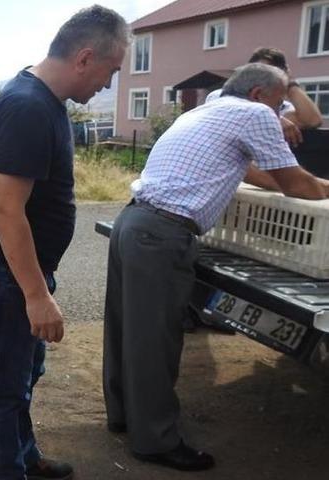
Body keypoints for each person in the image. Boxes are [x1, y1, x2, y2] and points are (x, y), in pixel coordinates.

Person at [103, 63, 329, 473]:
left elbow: (261, 175)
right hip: (163, 233)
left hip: (133, 222)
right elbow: (295, 184)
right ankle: (155, 440)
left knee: (126, 330)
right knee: (155, 339)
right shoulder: (256, 114)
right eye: (280, 105)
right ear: (260, 95)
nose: (283, 117)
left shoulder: (204, 111)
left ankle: (123, 417)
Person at [0, 5, 128, 480]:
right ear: (84, 56)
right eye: (110, 71)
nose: (108, 84)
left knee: (24, 375)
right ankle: (6, 471)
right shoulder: (28, 106)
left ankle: (25, 457)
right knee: (8, 384)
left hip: (20, 275)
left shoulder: (43, 101)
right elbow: (8, 208)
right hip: (11, 277)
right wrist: (36, 294)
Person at [205, 47, 324, 147]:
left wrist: (291, 83)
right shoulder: (223, 95)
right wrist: (276, 119)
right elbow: (227, 109)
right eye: (257, 70)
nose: (261, 76)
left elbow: (313, 121)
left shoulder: (282, 108)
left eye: (269, 72)